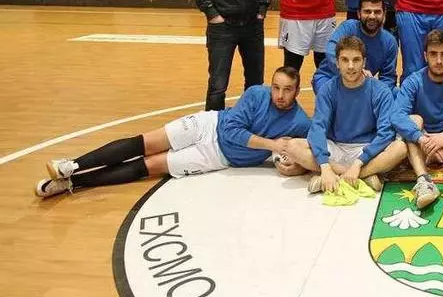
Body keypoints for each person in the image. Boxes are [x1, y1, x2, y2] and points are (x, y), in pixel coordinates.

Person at [36, 67, 311, 198]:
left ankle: (72, 183)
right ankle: (72, 164)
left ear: (298, 91)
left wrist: (296, 165)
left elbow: (315, 147)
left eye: (287, 90)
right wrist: (273, 145)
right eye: (276, 87)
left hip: (216, 158)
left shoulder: (300, 121)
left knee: (148, 166)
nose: (280, 95)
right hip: (209, 125)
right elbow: (230, 131)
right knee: (144, 143)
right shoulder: (256, 94)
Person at [282, 36, 407, 193]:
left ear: (364, 62)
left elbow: (386, 133)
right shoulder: (328, 89)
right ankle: (359, 176)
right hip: (335, 147)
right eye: (345, 60)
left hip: (366, 148)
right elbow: (318, 128)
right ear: (337, 63)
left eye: (356, 60)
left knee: (400, 148)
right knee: (292, 146)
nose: (350, 66)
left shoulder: (380, 91)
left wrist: (359, 163)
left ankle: (344, 176)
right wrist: (325, 166)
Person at [392, 30, 443, 209]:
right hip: (422, 146)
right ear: (425, 56)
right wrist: (421, 138)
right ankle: (423, 181)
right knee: (413, 119)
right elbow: (397, 115)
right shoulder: (413, 81)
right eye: (433, 54)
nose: (438, 60)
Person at [311, 0, 398, 95]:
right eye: (367, 11)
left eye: (377, 12)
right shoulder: (348, 27)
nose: (372, 16)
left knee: (393, 94)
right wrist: (355, 71)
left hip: (361, 85)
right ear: (358, 13)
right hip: (329, 77)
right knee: (338, 99)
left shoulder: (390, 42)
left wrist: (379, 95)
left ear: (384, 14)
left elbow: (388, 78)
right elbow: (331, 51)